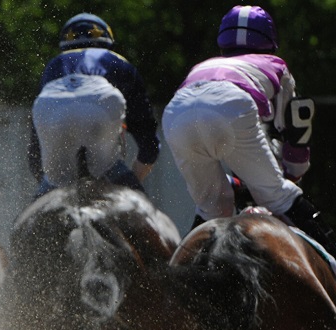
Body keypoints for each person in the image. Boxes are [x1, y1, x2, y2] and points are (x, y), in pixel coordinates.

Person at [162, 4, 335, 252]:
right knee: (279, 196)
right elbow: (291, 130)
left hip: (175, 112)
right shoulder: (277, 64)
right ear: (269, 39)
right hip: (232, 105)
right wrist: (293, 173)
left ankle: (178, 282)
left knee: (213, 208)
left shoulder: (203, 65)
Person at [28, 13, 160, 196]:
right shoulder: (118, 61)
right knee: (113, 174)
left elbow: (35, 153)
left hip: (51, 107)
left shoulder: (53, 65)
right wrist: (131, 185)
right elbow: (148, 140)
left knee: (47, 190)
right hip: (101, 105)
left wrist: (50, 183)